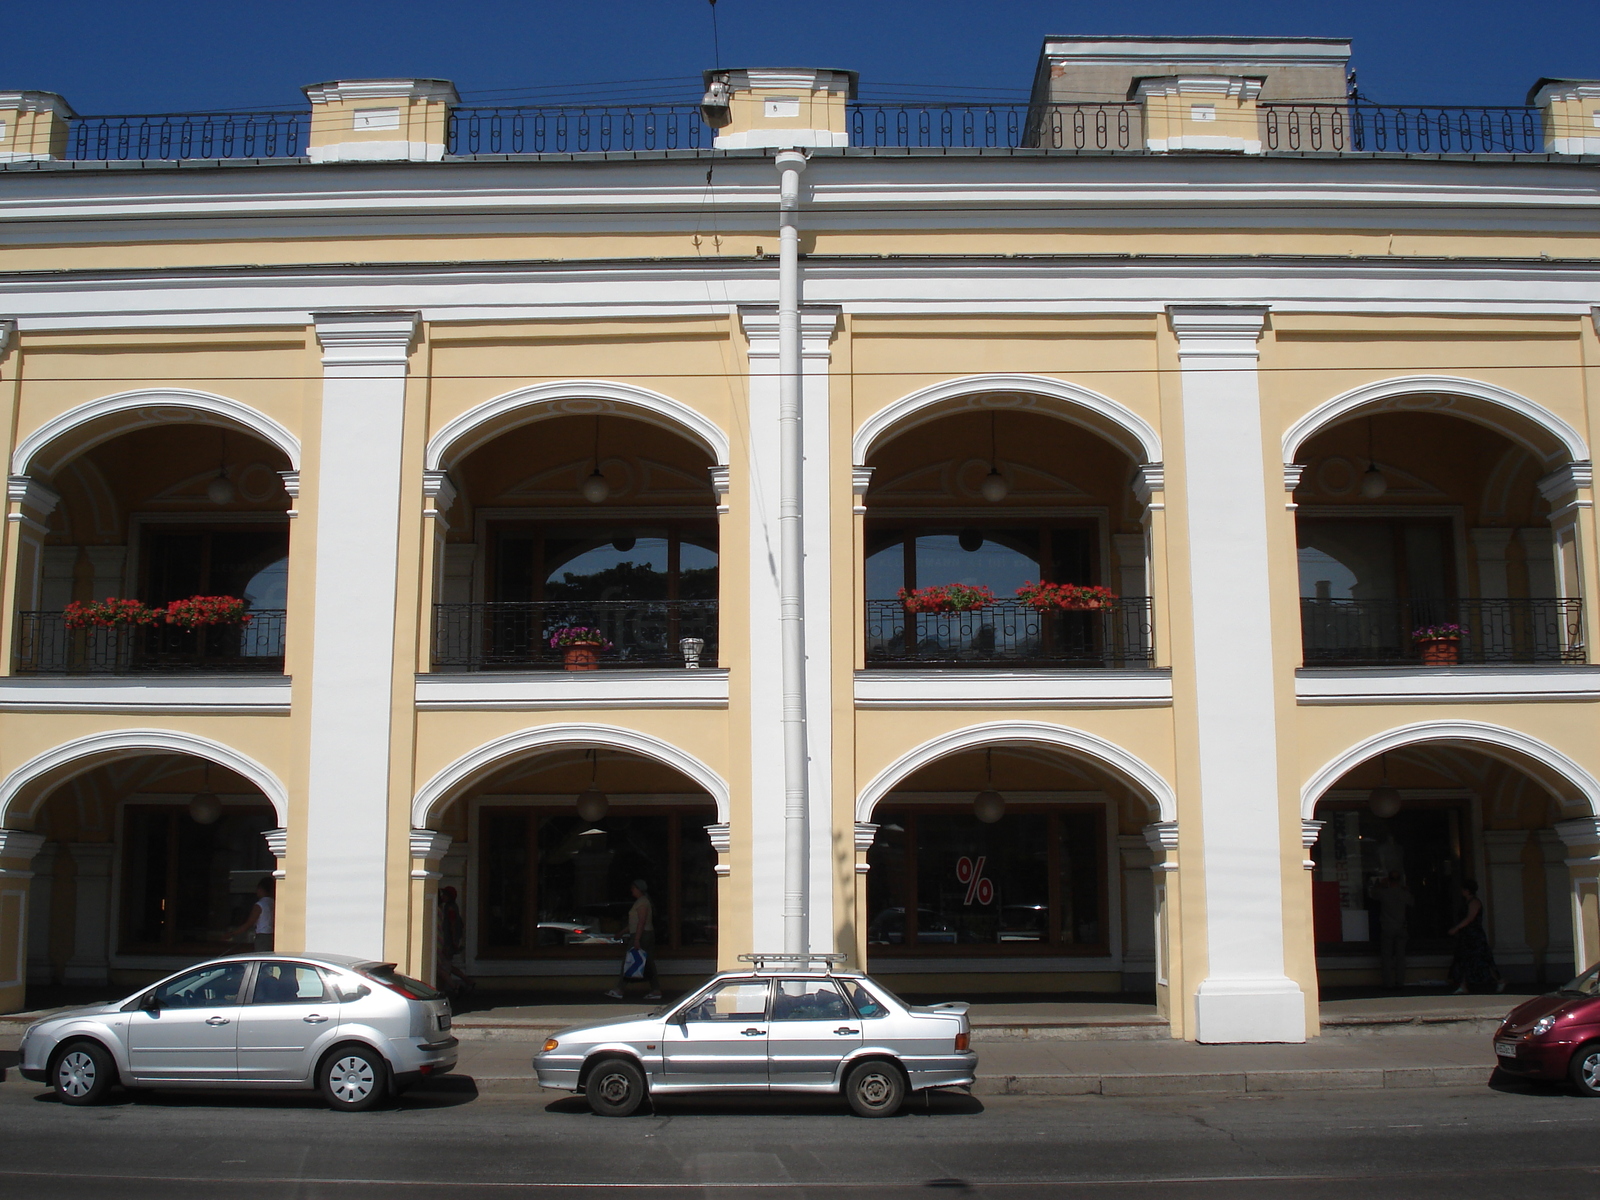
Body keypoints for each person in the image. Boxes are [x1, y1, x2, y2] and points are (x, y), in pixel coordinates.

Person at [1447, 878, 1506, 995]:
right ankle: (1463, 985)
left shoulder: (1474, 902)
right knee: (1463, 959)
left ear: (1467, 890)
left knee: (1482, 959)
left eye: (1463, 889)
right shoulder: (1467, 902)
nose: (1461, 891)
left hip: (1474, 935)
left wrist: (1456, 928)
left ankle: (1499, 980)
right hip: (1467, 935)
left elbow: (1470, 918)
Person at [605, 879, 660, 1002]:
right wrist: (621, 933)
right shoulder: (641, 902)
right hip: (641, 934)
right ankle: (655, 989)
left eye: (633, 888)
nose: (632, 890)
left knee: (630, 961)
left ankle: (620, 989)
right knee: (648, 962)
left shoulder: (642, 903)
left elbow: (641, 922)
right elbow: (634, 923)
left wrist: (636, 939)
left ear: (639, 889)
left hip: (642, 935)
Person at [1370, 871, 1414, 989]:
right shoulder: (1404, 893)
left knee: (1386, 956)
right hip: (1401, 926)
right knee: (1400, 956)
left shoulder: (1384, 893)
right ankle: (1400, 981)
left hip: (1387, 926)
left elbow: (1372, 894)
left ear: (1388, 880)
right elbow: (1412, 902)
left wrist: (1379, 884)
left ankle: (1388, 982)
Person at [435, 885, 472, 997]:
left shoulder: (449, 908)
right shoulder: (448, 907)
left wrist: (452, 942)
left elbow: (452, 925)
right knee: (447, 966)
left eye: (445, 894)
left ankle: (454, 987)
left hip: (446, 943)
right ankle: (466, 981)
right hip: (447, 941)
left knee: (442, 968)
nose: (442, 896)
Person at [230, 877, 274, 952]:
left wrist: (232, 933)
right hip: (272, 935)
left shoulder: (260, 905)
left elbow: (249, 923)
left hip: (262, 936)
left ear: (260, 889)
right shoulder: (273, 902)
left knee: (261, 956)